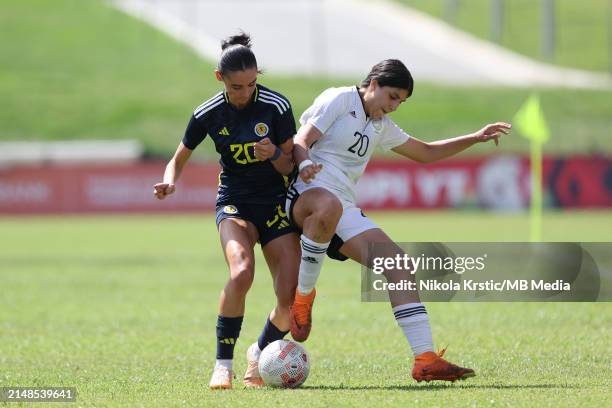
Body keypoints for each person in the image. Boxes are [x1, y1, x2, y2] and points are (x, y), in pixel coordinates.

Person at [286, 59, 511, 382]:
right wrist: (305, 162)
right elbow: (300, 140)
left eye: (401, 102)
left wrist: (475, 138)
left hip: (341, 207)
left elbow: (426, 153)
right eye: (392, 97)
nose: (394, 106)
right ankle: (304, 296)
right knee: (328, 205)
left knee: (400, 265)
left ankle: (425, 359)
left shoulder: (380, 125)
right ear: (373, 84)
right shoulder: (340, 99)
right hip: (306, 194)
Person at [153, 33, 300, 389]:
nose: (246, 92)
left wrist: (275, 156)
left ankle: (260, 355)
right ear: (220, 78)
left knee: (289, 299)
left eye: (252, 83)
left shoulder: (276, 106)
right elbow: (177, 158)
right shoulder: (207, 114)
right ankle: (222, 365)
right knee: (241, 272)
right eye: (237, 86)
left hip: (275, 205)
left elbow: (290, 166)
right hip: (233, 202)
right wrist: (169, 181)